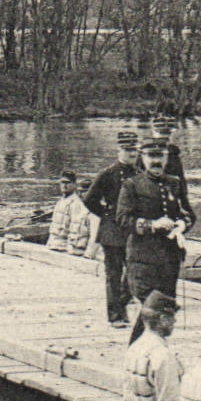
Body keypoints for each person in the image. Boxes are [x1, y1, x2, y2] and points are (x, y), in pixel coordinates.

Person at [117, 134, 195, 344]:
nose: (156, 161)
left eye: (160, 155)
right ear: (142, 157)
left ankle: (148, 353)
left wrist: (182, 225)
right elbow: (123, 219)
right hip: (142, 260)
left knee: (163, 311)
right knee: (151, 308)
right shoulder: (132, 185)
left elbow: (188, 214)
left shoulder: (174, 183)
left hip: (169, 259)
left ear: (167, 158)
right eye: (151, 156)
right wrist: (152, 225)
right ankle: (136, 351)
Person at [82, 131, 141, 327]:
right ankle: (115, 316)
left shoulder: (140, 175)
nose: (132, 153)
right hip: (112, 232)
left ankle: (122, 303)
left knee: (134, 271)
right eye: (127, 149)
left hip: (133, 231)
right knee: (114, 274)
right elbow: (89, 200)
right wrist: (108, 215)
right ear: (119, 150)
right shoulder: (107, 174)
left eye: (134, 149)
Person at [46, 170, 92, 254]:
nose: (64, 185)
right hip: (53, 244)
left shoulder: (76, 204)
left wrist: (71, 249)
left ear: (74, 184)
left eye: (67, 183)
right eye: (62, 183)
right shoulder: (60, 201)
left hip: (63, 248)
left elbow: (76, 229)